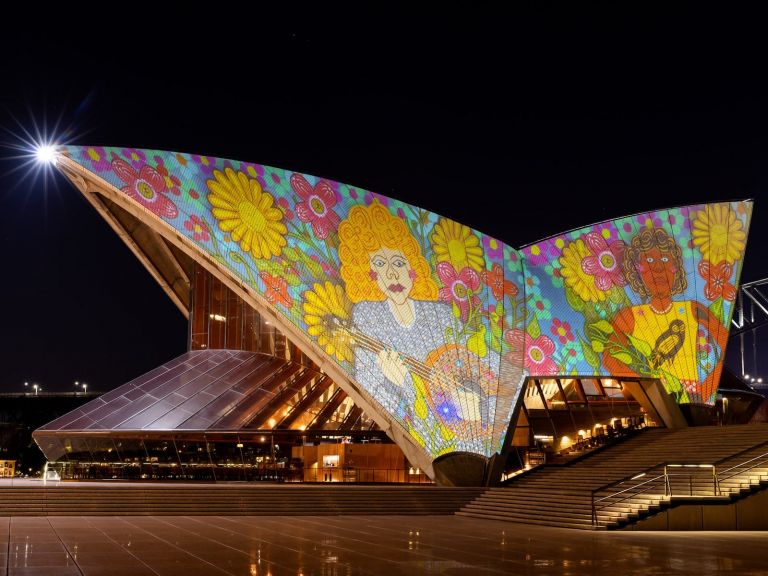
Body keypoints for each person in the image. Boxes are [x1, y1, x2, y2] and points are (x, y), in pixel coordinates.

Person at [337, 202, 492, 450]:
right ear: (370, 274)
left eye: (398, 263)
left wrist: (477, 404)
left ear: (412, 271)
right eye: (379, 264)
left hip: (464, 428)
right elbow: (370, 390)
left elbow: (478, 367)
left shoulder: (440, 314)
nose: (392, 275)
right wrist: (398, 385)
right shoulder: (366, 315)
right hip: (425, 433)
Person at [602, 227, 727, 403]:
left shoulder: (693, 309)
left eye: (665, 259)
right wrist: (647, 390)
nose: (658, 268)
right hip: (653, 397)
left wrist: (707, 387)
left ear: (676, 267)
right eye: (650, 259)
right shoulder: (629, 316)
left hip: (690, 395)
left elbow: (724, 338)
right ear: (637, 270)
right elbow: (609, 358)